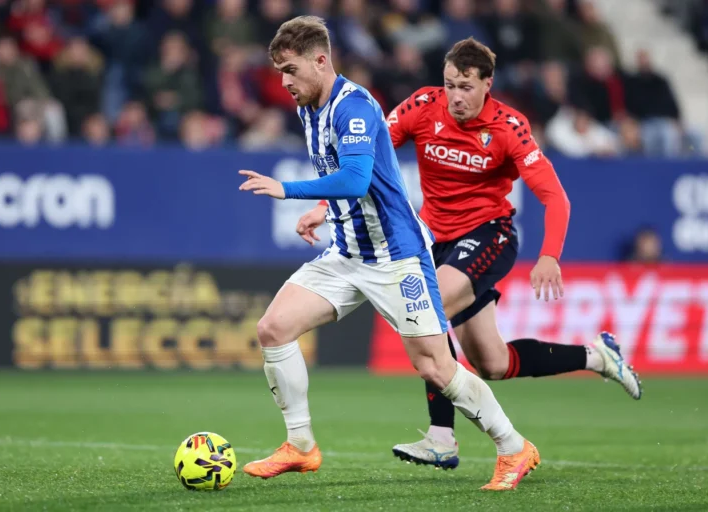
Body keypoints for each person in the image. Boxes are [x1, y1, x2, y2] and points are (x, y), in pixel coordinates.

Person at [296, 37, 643, 470]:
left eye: (465, 86)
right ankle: (597, 356)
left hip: (489, 234)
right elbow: (366, 164)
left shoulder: (508, 127)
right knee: (493, 362)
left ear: (487, 85)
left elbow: (556, 197)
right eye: (449, 85)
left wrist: (550, 255)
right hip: (433, 240)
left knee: (426, 307)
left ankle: (442, 437)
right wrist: (325, 207)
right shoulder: (424, 105)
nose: (455, 96)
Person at [238, 17, 539, 491]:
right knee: (273, 328)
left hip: (396, 256)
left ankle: (513, 447)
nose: (284, 82)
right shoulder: (307, 106)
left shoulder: (353, 108)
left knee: (436, 367)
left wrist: (288, 189)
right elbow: (351, 185)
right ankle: (300, 445)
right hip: (347, 251)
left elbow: (357, 180)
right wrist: (323, 209)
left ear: (321, 61)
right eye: (280, 72)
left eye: (291, 70)